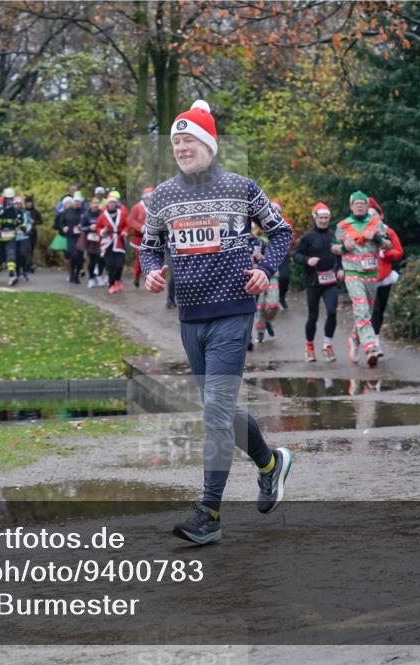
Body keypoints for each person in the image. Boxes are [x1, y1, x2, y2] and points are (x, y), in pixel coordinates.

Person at [140, 100, 294, 545]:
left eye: (189, 139)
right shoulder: (163, 196)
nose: (182, 147)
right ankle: (271, 463)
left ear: (208, 143)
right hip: (191, 316)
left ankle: (209, 512)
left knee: (214, 411)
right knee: (219, 409)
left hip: (233, 311)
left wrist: (267, 270)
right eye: (176, 141)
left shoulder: (242, 187)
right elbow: (148, 244)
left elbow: (280, 231)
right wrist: (151, 268)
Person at [332, 191, 393, 367]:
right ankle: (370, 347)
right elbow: (332, 247)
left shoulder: (375, 224)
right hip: (353, 273)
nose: (359, 206)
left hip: (371, 273)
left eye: (362, 203)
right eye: (356, 203)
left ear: (367, 206)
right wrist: (343, 246)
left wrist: (376, 238)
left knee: (367, 312)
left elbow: (389, 245)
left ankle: (353, 339)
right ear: (351, 206)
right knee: (361, 309)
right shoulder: (342, 225)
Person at [292, 201, 343, 362]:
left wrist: (341, 268)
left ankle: (327, 345)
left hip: (330, 281)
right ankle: (309, 347)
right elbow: (295, 255)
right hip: (313, 281)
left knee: (332, 312)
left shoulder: (333, 235)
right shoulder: (308, 237)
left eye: (326, 218)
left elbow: (339, 254)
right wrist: (307, 260)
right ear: (315, 218)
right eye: (321, 217)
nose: (323, 220)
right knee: (313, 316)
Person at [368, 197, 404, 358]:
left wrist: (385, 253)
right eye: (368, 215)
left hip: (384, 277)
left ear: (381, 216)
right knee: (371, 310)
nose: (371, 218)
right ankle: (372, 344)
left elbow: (398, 252)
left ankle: (375, 340)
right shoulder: (362, 232)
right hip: (366, 277)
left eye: (374, 215)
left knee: (379, 311)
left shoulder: (388, 232)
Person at [96, 193, 129, 294]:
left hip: (119, 241)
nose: (112, 205)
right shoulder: (102, 216)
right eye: (110, 203)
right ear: (107, 204)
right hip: (108, 242)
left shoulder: (122, 214)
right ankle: (111, 284)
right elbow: (98, 227)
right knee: (110, 265)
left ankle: (118, 280)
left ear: (116, 204)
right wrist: (102, 231)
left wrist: (125, 231)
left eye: (114, 203)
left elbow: (127, 225)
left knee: (119, 264)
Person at [0, 188, 21, 286]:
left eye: (11, 199)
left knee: (11, 255)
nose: (9, 201)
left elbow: (20, 221)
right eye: (7, 199)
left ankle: (12, 275)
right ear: (4, 198)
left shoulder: (16, 210)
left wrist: (22, 227)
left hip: (11, 236)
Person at [57, 192, 87, 283]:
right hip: (70, 236)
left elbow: (88, 221)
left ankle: (76, 274)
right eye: (75, 201)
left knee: (80, 257)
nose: (77, 203)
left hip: (81, 236)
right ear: (73, 202)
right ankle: (72, 273)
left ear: (81, 202)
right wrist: (63, 228)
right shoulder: (67, 211)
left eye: (79, 201)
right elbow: (61, 222)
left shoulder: (84, 211)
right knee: (73, 254)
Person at [271, 200, 295, 309]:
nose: (275, 212)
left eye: (277, 210)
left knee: (285, 276)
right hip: (268, 253)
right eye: (273, 210)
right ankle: (268, 301)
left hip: (283, 253)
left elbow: (292, 235)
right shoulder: (263, 220)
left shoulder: (286, 221)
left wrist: (288, 245)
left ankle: (281, 297)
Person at [128, 187, 153, 287]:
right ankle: (136, 276)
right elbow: (131, 221)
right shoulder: (137, 207)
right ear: (144, 198)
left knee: (152, 259)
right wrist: (141, 227)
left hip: (152, 238)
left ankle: (149, 279)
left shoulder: (155, 207)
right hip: (139, 238)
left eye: (150, 198)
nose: (149, 200)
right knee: (140, 259)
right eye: (147, 198)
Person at [81, 197, 106, 288]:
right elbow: (81, 227)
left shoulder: (102, 214)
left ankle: (99, 275)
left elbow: (106, 225)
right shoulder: (86, 214)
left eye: (97, 203)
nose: (95, 205)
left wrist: (102, 229)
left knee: (101, 259)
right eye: (94, 203)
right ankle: (91, 278)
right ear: (90, 204)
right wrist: (89, 228)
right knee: (92, 260)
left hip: (100, 240)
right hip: (90, 240)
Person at [13, 195, 33, 282]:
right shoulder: (11, 213)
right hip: (14, 237)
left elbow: (29, 222)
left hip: (24, 236)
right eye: (16, 203)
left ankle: (24, 271)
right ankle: (17, 272)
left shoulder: (26, 213)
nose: (18, 205)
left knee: (23, 254)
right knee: (16, 255)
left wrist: (28, 229)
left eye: (20, 203)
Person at [24, 195, 42, 273]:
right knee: (25, 249)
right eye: (27, 203)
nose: (29, 204)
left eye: (30, 203)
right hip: (24, 232)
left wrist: (34, 222)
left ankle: (29, 264)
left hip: (33, 232)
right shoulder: (23, 211)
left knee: (31, 249)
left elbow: (40, 221)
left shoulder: (35, 212)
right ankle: (27, 265)